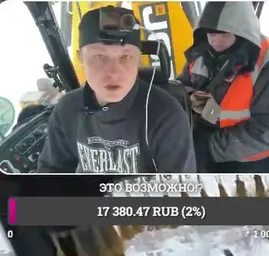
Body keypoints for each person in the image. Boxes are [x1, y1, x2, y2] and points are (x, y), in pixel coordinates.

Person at [37, 6, 196, 174]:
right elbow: (51, 172)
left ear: (138, 59)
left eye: (126, 57)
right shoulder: (67, 109)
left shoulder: (166, 115)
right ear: (80, 57)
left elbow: (181, 188)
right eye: (100, 56)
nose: (113, 72)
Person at [178, 2, 269, 173]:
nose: (215, 41)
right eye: (211, 34)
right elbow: (182, 87)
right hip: (207, 144)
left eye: (224, 34)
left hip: (257, 162)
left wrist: (209, 145)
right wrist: (198, 104)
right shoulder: (200, 54)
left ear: (243, 31)